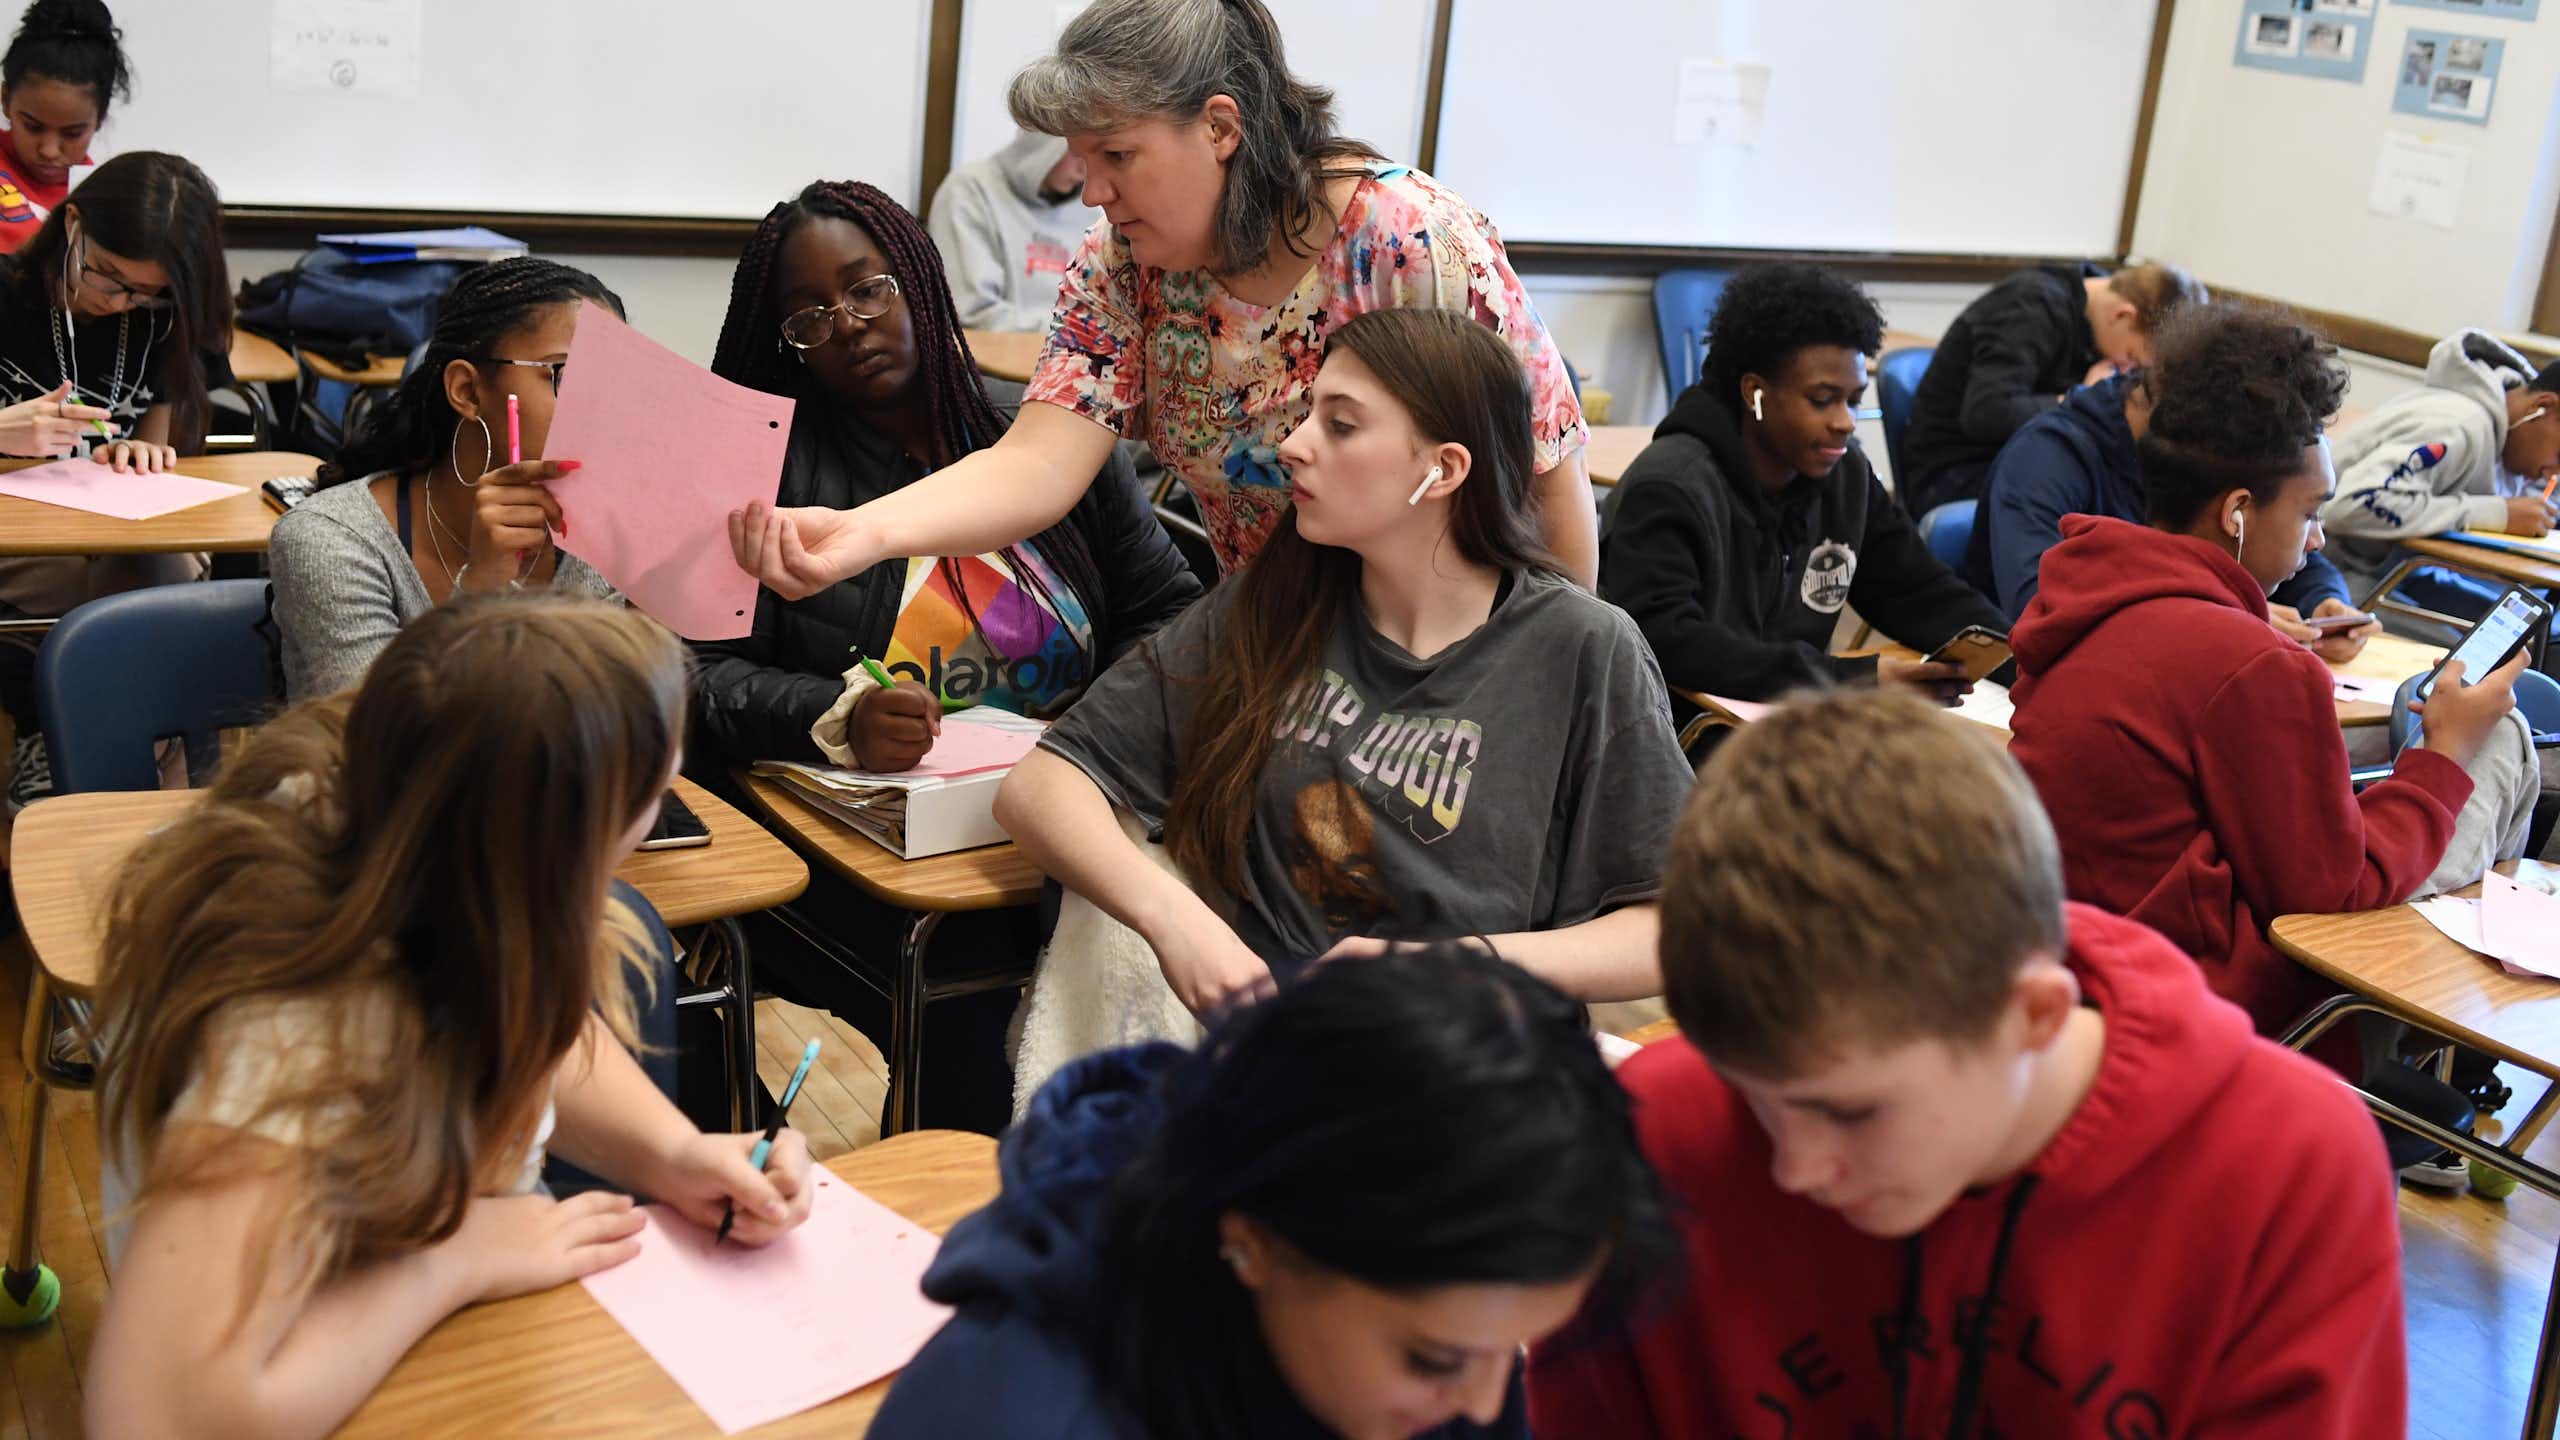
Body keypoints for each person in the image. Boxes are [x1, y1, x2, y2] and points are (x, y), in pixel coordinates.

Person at [1525, 689, 2405, 1438]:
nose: (1796, 1167)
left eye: (1850, 1111)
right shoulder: (1657, 1130)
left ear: (2032, 1016)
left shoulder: (2287, 1171)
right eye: (1753, 1099)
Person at [85, 596, 817, 1439]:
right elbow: (160, 1412)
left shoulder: (427, 827)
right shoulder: (305, 1037)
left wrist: (676, 1153)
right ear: (564, 850)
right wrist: (453, 1261)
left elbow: (522, 1013)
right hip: (344, 1348)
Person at [729, 0, 1596, 603]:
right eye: (1082, 160)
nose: (1091, 192)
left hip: (1441, 651)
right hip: (1270, 641)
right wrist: (862, 534)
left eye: (1117, 157)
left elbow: (1547, 477)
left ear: (1221, 128)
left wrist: (1548, 681)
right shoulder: (1123, 266)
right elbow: (1036, 463)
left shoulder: (1408, 242)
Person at [996, 306, 1693, 1019]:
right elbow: (1042, 786)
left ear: (1444, 469)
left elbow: (1669, 931)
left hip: (1475, 1076)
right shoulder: (1272, 604)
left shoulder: (1583, 647)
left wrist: (1455, 965)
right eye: (1306, 416)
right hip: (1276, 1062)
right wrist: (1179, 923)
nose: (1292, 445)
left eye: (1342, 424)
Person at [872, 945, 1674, 1440]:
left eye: (1517, 1353)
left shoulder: (1430, 1340)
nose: (1485, 1404)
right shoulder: (1009, 1411)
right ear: (1255, 1243)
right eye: (1437, 1358)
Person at [2005, 305, 2526, 1044]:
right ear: (2238, 514)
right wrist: (2442, 756)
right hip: (2197, 1004)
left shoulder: (2088, 591)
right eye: (2311, 512)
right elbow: (2333, 886)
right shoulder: (2250, 662)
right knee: (2500, 749)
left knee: (2395, 779)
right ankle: (2439, 1053)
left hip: (2066, 962)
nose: (2318, 538)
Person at [694, 179, 1198, 771]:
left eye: (868, 291)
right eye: (811, 318)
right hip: (864, 820)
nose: (850, 325)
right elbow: (688, 675)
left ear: (921, 282)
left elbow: (1169, 611)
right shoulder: (765, 474)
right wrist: (838, 715)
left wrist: (1098, 727)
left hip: (1073, 781)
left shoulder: (1052, 437)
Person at [1599, 263, 2008, 719]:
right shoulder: (1671, 484)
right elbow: (1667, 640)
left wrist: (2024, 655)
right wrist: (1853, 682)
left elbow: (1918, 591)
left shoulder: (1846, 474)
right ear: (1755, 394)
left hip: (1795, 725)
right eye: (1822, 399)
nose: (1846, 422)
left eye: (1854, 400)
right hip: (1683, 736)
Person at [267, 258, 622, 702]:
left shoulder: (598, 535)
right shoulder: (329, 540)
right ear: (467, 391)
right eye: (565, 376)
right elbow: (376, 745)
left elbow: (609, 728)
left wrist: (682, 601)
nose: (598, 409)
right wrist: (480, 591)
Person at [0, 149, 230, 811]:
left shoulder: (167, 313)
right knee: (123, 602)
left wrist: (142, 454)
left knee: (155, 577)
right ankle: (99, 755)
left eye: (146, 292)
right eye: (107, 277)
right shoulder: (8, 292)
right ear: (73, 224)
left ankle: (132, 779)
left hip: (112, 529)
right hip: (23, 541)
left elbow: (155, 446)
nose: (119, 302)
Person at [1972, 365, 2380, 663]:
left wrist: (2325, 601)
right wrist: (2228, 618)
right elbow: (2038, 604)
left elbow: (2277, 541)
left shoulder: (2198, 460)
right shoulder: (2046, 457)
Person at [1898, 260, 2204, 515]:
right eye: (2133, 359)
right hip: (1955, 473)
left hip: (2017, 461)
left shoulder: (2093, 312)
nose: (2126, 369)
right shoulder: (2029, 306)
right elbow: (1986, 413)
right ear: (2123, 315)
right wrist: (2080, 398)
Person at [2320, 330, 2560, 626]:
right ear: (2543, 407)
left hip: (2400, 569)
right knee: (2480, 652)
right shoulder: (2458, 425)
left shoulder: (2509, 438)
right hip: (2328, 572)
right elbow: (2349, 507)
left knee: (2526, 627)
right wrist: (2494, 513)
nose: (2553, 473)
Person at [926, 129, 1092, 334]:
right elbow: (972, 313)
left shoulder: (1091, 207)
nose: (1084, 169)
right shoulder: (969, 191)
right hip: (990, 359)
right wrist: (1078, 328)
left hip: (1071, 356)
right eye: (1076, 152)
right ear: (1042, 144)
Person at [0, 0, 124, 255]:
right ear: (5, 100)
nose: (49, 150)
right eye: (32, 127)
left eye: (72, 133)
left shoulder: (101, 200)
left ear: (99, 118)